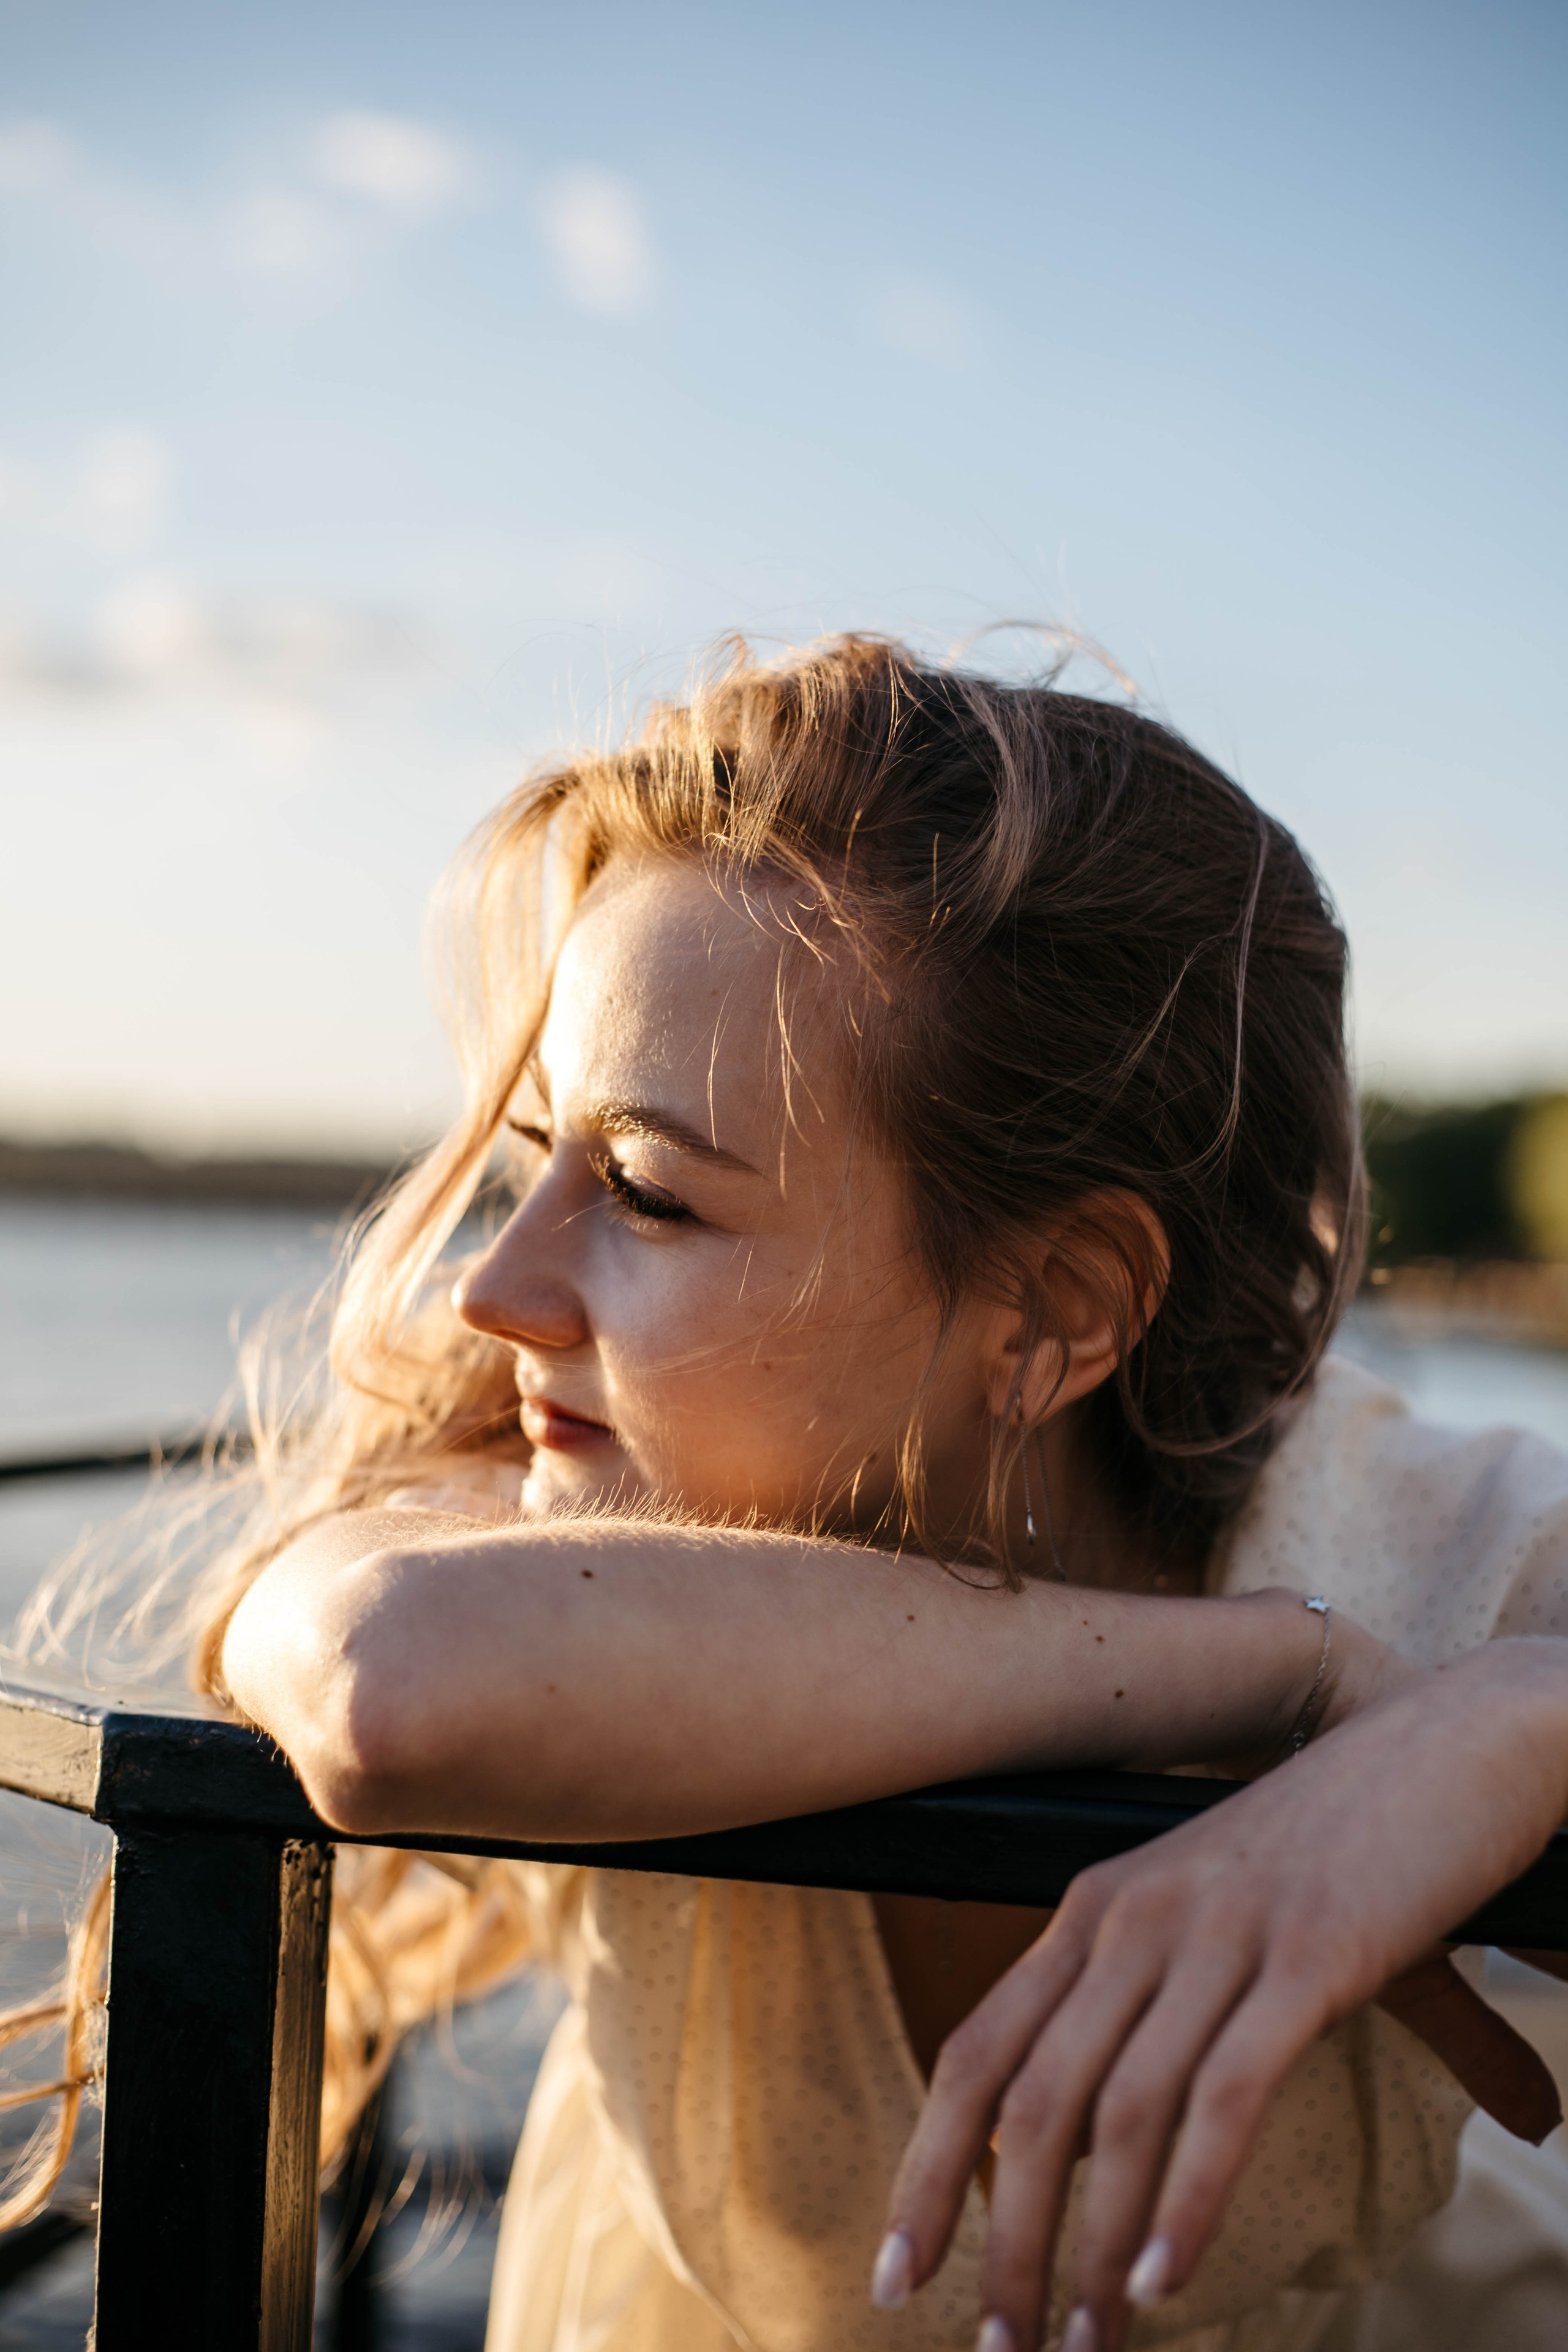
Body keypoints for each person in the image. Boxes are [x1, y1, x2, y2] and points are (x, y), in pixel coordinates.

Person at [40, 636, 1568, 2349]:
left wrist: (1519, 1720)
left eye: (648, 1194)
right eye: (539, 1161)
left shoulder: (1435, 1543)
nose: (492, 1294)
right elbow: (382, 1674)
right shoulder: (546, 1488)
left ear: (1058, 1310)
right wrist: (1282, 1674)